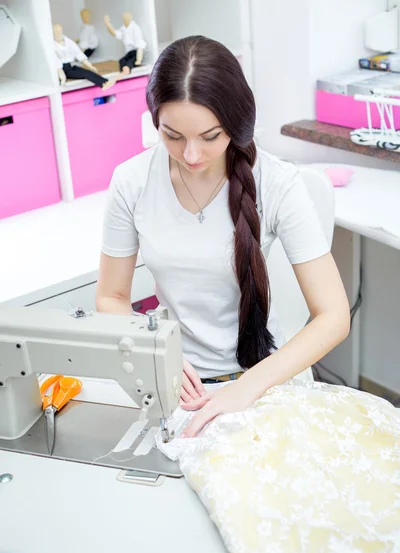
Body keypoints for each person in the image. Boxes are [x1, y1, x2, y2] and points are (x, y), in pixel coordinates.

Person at [97, 36, 350, 437]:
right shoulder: (132, 182)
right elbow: (110, 298)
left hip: (263, 382)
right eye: (173, 135)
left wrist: (247, 388)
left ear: (237, 123)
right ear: (155, 123)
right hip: (174, 383)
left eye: (210, 136)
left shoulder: (277, 183)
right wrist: (154, 347)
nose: (192, 155)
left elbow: (334, 317)